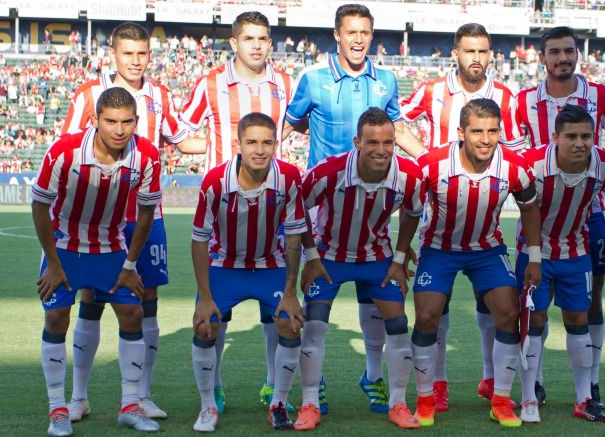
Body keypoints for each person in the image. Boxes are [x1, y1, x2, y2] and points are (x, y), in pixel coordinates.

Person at [282, 3, 425, 414]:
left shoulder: (387, 80)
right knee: (314, 308)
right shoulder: (313, 78)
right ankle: (314, 387)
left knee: (375, 307)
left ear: (371, 35)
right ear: (337, 35)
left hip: (374, 208)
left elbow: (395, 131)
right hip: (327, 203)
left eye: (365, 32)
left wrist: (430, 161)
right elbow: (291, 124)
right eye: (351, 32)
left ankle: (375, 377)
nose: (358, 39)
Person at [62, 22, 187, 421]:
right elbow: (66, 153)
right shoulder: (88, 96)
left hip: (149, 219)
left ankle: (140, 395)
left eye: (142, 53)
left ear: (150, 55)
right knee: (92, 300)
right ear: (112, 54)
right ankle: (78, 396)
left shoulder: (161, 96)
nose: (135, 61)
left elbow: (183, 140)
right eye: (128, 53)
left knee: (147, 302)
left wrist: (235, 141)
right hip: (98, 222)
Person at [178, 11, 294, 414]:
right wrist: (216, 152)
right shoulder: (210, 84)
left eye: (264, 38)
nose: (258, 45)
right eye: (249, 38)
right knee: (215, 311)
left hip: (271, 207)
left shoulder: (284, 83)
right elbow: (180, 132)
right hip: (225, 204)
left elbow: (289, 128)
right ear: (234, 42)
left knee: (273, 309)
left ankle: (270, 384)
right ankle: (216, 391)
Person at [400, 22, 521, 410]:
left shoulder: (505, 96)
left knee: (495, 305)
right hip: (439, 205)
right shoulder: (433, 90)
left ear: (490, 55)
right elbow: (398, 123)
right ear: (456, 53)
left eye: (483, 51)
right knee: (437, 306)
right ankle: (437, 383)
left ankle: (491, 378)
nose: (476, 58)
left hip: (483, 205)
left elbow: (515, 150)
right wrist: (429, 162)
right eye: (469, 51)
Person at [513, 26, 605, 407]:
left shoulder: (600, 94)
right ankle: (537, 384)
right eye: (555, 52)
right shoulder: (523, 101)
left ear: (577, 54)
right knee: (535, 307)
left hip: (589, 215)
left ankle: (591, 385)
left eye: (568, 51)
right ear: (542, 57)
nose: (562, 58)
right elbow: (518, 162)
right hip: (537, 213)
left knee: (588, 301)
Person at [32, 88, 162, 436]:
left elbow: (146, 213)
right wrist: (54, 264)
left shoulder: (147, 156)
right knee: (57, 315)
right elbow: (40, 206)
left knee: (133, 313)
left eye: (127, 122)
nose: (119, 130)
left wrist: (131, 264)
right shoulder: (65, 152)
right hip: (64, 245)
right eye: (110, 121)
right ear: (95, 121)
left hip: (111, 245)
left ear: (136, 121)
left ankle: (130, 406)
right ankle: (57, 409)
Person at [410, 98, 541, 428]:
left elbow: (529, 207)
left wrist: (535, 256)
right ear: (461, 132)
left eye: (493, 131)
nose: (485, 139)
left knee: (509, 313)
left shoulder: (513, 166)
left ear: (500, 132)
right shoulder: (432, 164)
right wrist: (401, 255)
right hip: (439, 248)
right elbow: (410, 209)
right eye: (477, 131)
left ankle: (500, 399)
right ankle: (426, 398)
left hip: (487, 249)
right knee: (427, 315)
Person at [293, 108, 425, 430]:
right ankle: (310, 400)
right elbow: (297, 208)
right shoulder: (328, 172)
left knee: (397, 322)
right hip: (328, 256)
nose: (381, 150)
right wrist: (310, 256)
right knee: (314, 326)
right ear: (357, 142)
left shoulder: (409, 176)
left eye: (388, 142)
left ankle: (397, 403)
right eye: (373, 142)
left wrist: (398, 258)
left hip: (376, 256)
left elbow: (412, 212)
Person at [189, 113, 306, 432]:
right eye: (251, 142)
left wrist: (292, 293)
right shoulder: (215, 181)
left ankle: (278, 404)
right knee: (204, 326)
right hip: (225, 265)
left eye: (267, 142)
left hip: (271, 264)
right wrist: (204, 297)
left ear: (276, 144)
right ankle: (208, 405)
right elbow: (199, 240)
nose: (259, 149)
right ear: (238, 144)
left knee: (291, 324)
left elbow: (295, 236)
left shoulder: (289, 177)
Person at [516, 105, 605, 423]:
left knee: (579, 319)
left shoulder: (602, 164)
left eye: (586, 136)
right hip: (535, 254)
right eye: (570, 136)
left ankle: (583, 397)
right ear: (556, 137)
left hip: (576, 253)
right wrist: (533, 256)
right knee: (534, 321)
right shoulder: (533, 165)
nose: (579, 143)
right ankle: (529, 396)